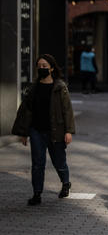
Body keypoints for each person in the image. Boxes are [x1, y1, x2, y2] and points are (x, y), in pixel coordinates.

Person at [12, 54, 75, 206]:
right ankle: (37, 194)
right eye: (39, 66)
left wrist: (68, 131)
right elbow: (26, 111)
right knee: (37, 164)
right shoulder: (33, 88)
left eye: (44, 66)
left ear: (52, 68)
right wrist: (24, 133)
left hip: (56, 131)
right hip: (36, 131)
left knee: (59, 162)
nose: (41, 68)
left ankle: (65, 183)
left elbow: (67, 110)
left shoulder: (60, 87)